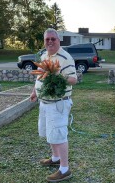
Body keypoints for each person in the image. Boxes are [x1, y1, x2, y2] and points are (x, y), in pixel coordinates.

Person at [30, 28, 77, 182]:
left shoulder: (65, 57)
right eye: (47, 39)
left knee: (59, 134)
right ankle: (55, 158)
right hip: (44, 102)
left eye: (53, 39)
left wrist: (57, 75)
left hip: (58, 103)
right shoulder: (43, 54)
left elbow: (73, 79)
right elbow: (39, 76)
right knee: (50, 133)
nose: (50, 41)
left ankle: (64, 169)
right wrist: (34, 92)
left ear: (59, 40)